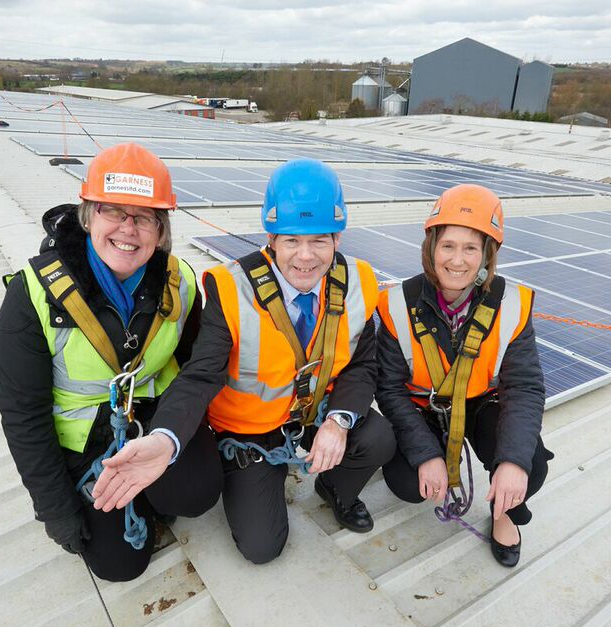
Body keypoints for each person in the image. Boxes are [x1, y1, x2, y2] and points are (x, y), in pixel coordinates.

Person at [91, 158, 395, 564]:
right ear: (271, 238)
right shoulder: (232, 290)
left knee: (377, 437)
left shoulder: (359, 282)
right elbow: (200, 375)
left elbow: (362, 364)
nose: (305, 257)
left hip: (315, 415)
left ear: (337, 239)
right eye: (291, 240)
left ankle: (335, 489)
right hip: (253, 434)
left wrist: (339, 422)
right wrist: (166, 439)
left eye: (319, 240)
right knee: (262, 547)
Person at [0, 143, 222, 581]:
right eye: (113, 212)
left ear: (161, 230)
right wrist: (56, 510)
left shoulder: (182, 282)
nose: (128, 229)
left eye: (144, 217)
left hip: (153, 424)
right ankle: (115, 501)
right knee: (120, 567)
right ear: (88, 216)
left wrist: (172, 439)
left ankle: (152, 489)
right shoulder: (32, 296)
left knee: (196, 493)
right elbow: (23, 417)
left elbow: (197, 369)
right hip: (82, 447)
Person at [375, 184, 553, 568]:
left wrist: (512, 462)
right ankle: (432, 451)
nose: (458, 260)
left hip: (482, 403)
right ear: (431, 249)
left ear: (488, 254)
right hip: (425, 406)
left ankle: (503, 514)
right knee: (408, 483)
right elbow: (388, 388)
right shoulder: (397, 304)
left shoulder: (511, 305)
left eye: (471, 248)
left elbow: (524, 386)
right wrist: (426, 454)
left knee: (531, 465)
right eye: (448, 246)